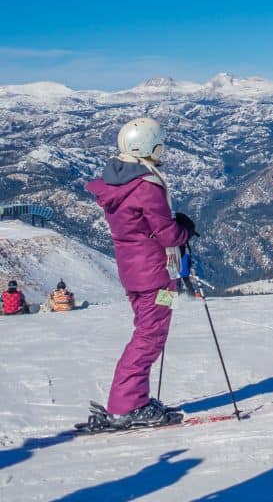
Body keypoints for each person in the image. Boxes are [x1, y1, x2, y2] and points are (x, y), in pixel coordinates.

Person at [85, 117, 196, 428]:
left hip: (132, 271)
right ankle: (126, 406)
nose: (162, 152)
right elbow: (168, 236)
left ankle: (136, 399)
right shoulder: (146, 187)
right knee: (149, 338)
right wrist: (185, 228)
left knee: (146, 333)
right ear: (146, 147)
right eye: (159, 146)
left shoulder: (116, 184)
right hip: (154, 273)